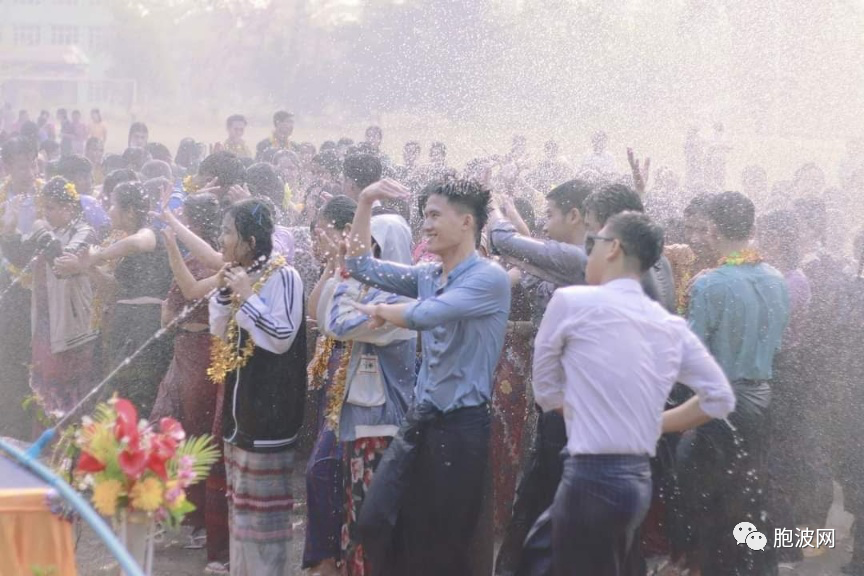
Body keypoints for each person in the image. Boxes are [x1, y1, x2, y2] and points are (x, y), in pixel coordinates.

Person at [527, 211, 734, 576]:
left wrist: (593, 414)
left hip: (589, 476)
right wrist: (650, 424)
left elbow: (545, 391)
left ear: (613, 248)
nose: (587, 252)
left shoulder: (571, 302)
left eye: (593, 243)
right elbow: (719, 398)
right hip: (636, 480)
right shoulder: (668, 325)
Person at [346, 178, 510, 576]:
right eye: (423, 217)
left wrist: (383, 312)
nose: (426, 226)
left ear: (466, 222)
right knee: (376, 518)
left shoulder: (488, 278)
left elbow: (427, 314)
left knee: (445, 541)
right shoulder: (427, 275)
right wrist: (366, 200)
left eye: (435, 215)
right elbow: (358, 266)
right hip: (420, 419)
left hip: (461, 426)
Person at [676, 191, 789, 576]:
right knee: (753, 495)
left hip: (719, 404)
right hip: (762, 398)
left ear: (713, 230)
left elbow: (690, 355)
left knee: (710, 503)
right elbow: (775, 345)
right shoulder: (777, 280)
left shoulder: (710, 285)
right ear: (753, 228)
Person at [314, 201, 416, 576]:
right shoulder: (372, 293)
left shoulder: (398, 299)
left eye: (370, 249)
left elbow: (337, 324)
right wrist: (335, 267)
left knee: (370, 520)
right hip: (364, 420)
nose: (362, 257)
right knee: (355, 514)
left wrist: (346, 272)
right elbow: (323, 312)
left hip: (381, 425)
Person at [208, 198, 306, 576]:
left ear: (249, 240)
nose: (220, 238)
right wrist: (224, 293)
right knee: (242, 516)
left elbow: (281, 336)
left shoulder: (285, 277)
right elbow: (220, 332)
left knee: (264, 525)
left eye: (227, 231)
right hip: (240, 417)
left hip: (269, 417)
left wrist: (248, 296)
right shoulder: (237, 274)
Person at [152, 193, 225, 563]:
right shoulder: (219, 260)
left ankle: (177, 514)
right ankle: (197, 520)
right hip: (209, 353)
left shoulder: (194, 262)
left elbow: (167, 318)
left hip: (189, 354)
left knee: (173, 427)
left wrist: (171, 248)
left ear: (192, 225)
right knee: (199, 432)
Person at [0, 176, 99, 416]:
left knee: (72, 391)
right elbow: (20, 256)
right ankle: (46, 445)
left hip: (72, 326)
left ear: (70, 208)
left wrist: (41, 231)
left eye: (51, 208)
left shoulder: (84, 231)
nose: (46, 213)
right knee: (44, 388)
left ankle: (71, 447)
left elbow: (63, 263)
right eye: (44, 208)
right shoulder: (48, 231)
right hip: (45, 322)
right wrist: (10, 228)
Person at [73, 181, 174, 415]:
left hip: (145, 327)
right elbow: (115, 290)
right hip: (126, 325)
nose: (108, 210)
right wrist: (87, 266)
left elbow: (140, 243)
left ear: (129, 212)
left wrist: (99, 256)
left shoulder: (149, 232)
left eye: (113, 205)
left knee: (137, 395)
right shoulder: (125, 241)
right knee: (119, 396)